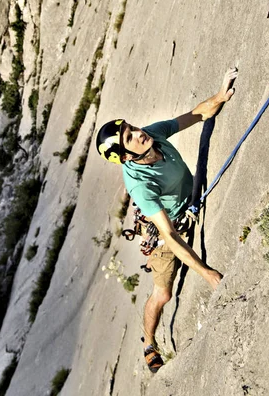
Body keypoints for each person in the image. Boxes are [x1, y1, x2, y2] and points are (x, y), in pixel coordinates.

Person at [96, 67, 238, 372]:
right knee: (163, 292)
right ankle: (149, 342)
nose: (138, 133)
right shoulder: (140, 184)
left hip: (187, 203)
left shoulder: (153, 135)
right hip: (165, 229)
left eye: (132, 127)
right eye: (129, 137)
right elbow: (170, 236)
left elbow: (193, 116)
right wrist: (207, 273)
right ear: (124, 156)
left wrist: (220, 94)